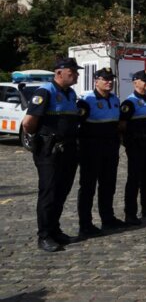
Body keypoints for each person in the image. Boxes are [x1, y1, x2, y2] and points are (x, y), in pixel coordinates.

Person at [23, 58, 82, 252]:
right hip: (50, 150)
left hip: (68, 149)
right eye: (73, 71)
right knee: (48, 192)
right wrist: (37, 139)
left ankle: (55, 230)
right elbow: (28, 122)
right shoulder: (45, 92)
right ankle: (44, 236)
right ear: (59, 72)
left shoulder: (70, 93)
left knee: (62, 191)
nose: (77, 74)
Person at [76, 67, 125, 238]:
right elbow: (78, 124)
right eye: (105, 79)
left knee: (108, 185)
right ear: (96, 81)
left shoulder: (115, 99)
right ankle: (85, 224)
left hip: (110, 148)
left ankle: (108, 217)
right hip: (91, 149)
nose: (109, 82)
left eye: (111, 79)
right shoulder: (86, 101)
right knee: (88, 187)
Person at [119, 70, 146, 224]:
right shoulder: (129, 103)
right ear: (135, 82)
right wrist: (129, 144)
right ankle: (130, 213)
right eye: (143, 81)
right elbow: (122, 127)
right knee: (134, 180)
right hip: (137, 146)